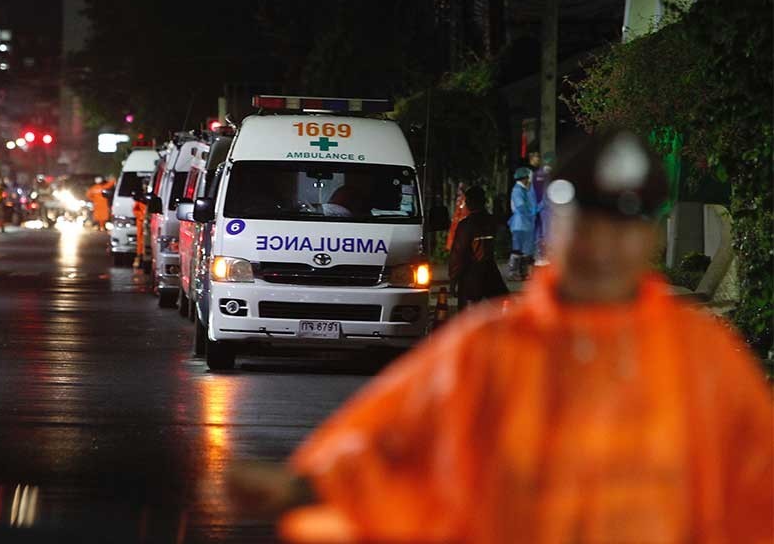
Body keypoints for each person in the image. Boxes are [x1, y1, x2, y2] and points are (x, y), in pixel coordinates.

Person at [227, 129, 773, 544]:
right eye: (585, 222)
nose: (599, 246)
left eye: (620, 227)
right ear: (557, 227)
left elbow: (756, 490)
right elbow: (385, 440)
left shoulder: (703, 358)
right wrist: (299, 488)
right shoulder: (484, 348)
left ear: (648, 237)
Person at [448, 186, 508, 309]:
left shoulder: (466, 225)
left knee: (468, 318)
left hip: (471, 276)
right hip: (491, 272)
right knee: (503, 308)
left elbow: (458, 253)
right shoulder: (491, 221)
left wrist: (453, 279)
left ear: (470, 202)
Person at [507, 166, 537, 279]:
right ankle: (513, 272)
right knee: (518, 249)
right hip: (520, 223)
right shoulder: (518, 190)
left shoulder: (523, 190)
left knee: (525, 250)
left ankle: (522, 272)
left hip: (524, 223)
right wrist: (532, 213)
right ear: (524, 178)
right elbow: (521, 207)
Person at [132, 179, 149, 268]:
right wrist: (141, 217)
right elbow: (135, 209)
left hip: (149, 221)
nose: (145, 186)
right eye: (144, 185)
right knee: (140, 239)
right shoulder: (140, 197)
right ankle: (139, 256)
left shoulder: (151, 196)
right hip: (141, 221)